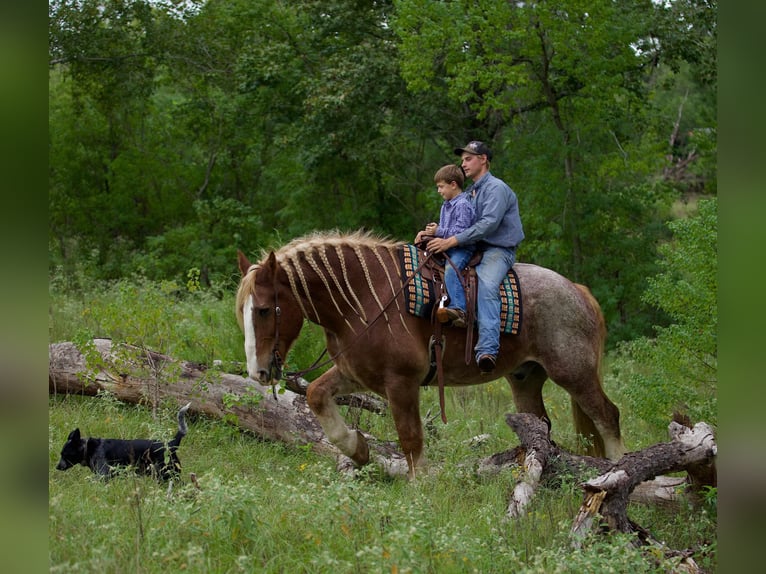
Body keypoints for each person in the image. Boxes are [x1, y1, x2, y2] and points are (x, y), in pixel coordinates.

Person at [426, 141, 524, 373]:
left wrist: (451, 241)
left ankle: (488, 349)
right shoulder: (469, 192)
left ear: (483, 160)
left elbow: (488, 224)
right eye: (462, 160)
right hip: (473, 247)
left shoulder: (497, 188)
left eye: (468, 158)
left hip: (497, 250)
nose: (463, 164)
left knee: (487, 285)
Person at [415, 165, 476, 328]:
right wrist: (429, 234)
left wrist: (439, 230)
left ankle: (459, 309)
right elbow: (444, 231)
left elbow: (461, 232)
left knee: (451, 269)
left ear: (453, 185)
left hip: (462, 248)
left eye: (441, 187)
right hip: (448, 247)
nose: (439, 191)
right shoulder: (446, 205)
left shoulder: (462, 204)